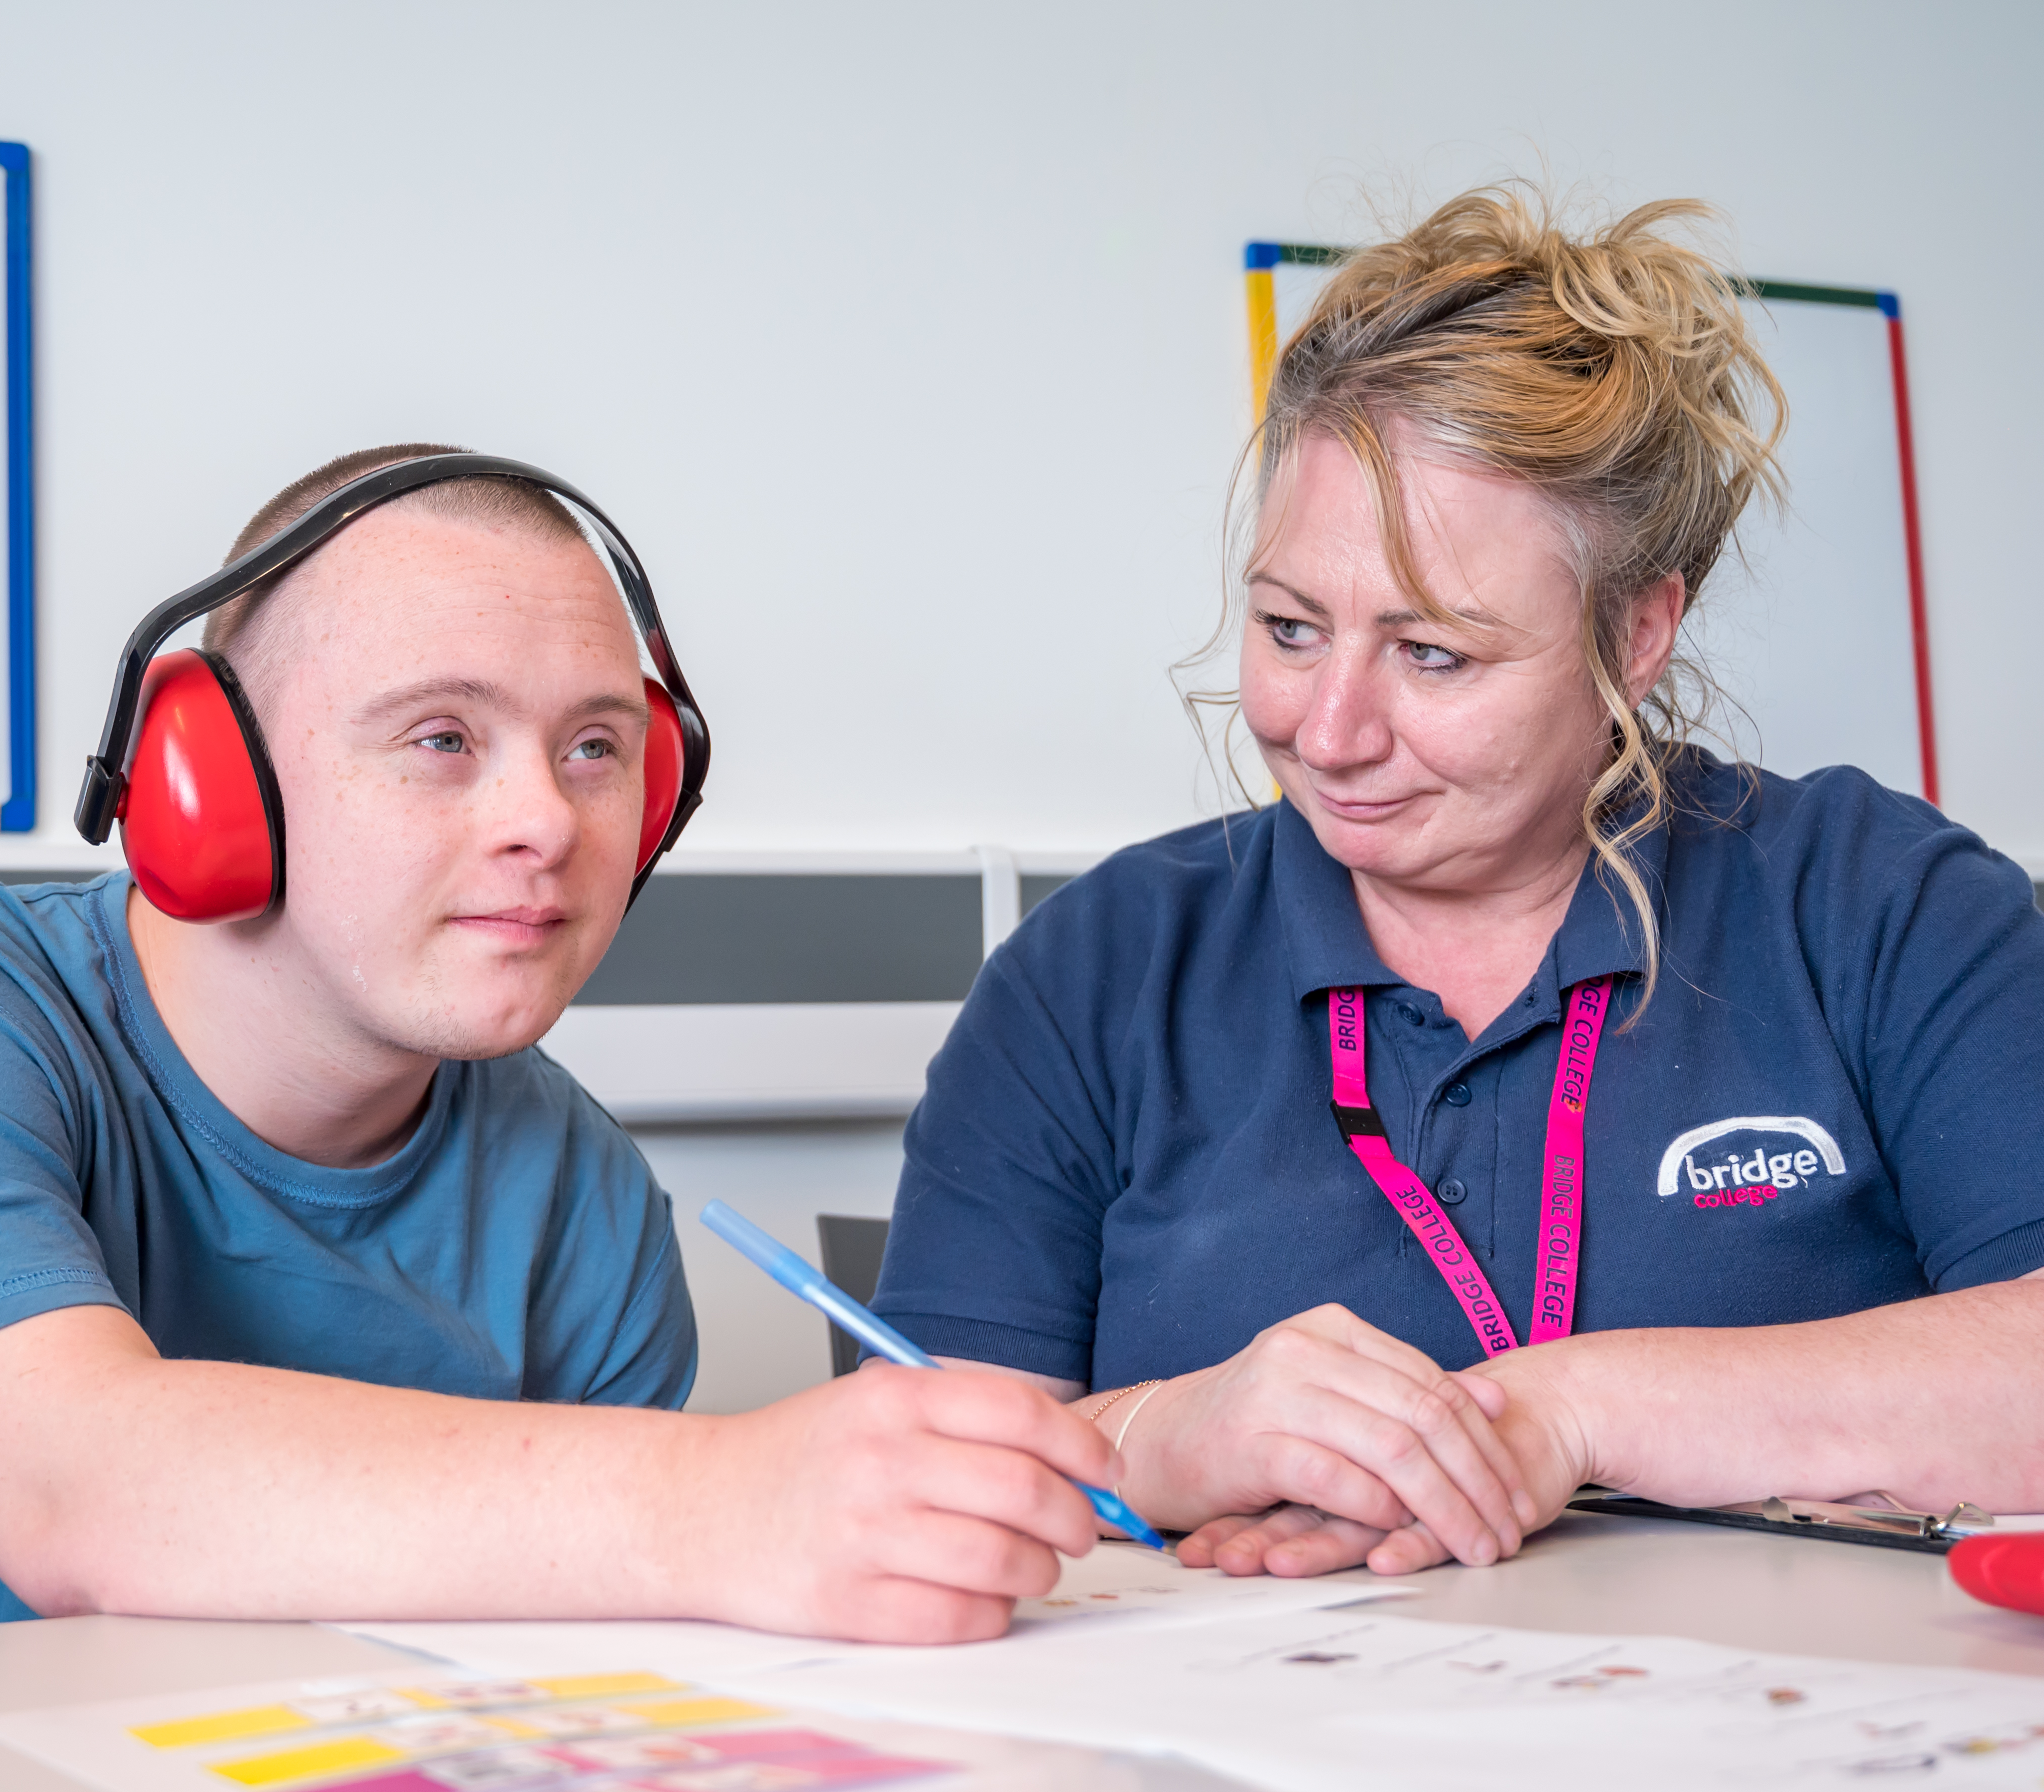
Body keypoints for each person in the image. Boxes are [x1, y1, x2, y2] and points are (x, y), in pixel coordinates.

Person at [0, 446, 1126, 1792]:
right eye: (442, 737)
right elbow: (80, 1492)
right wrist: (721, 1501)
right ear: (207, 782)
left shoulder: (580, 1191)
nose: (547, 822)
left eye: (597, 748)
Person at [870, 187, 2044, 1581]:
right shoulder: (1093, 980)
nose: (1331, 731)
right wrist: (1167, 1438)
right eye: (1292, 629)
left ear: (1639, 627)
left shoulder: (1885, 910)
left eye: (1434, 656)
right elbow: (909, 1479)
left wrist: (1566, 1410)